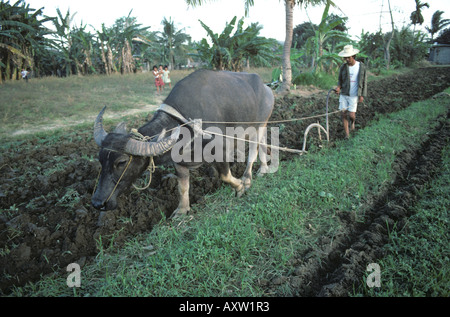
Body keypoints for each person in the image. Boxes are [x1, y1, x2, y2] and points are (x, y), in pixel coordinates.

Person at [335, 45, 367, 139]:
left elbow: (364, 81)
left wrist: (362, 95)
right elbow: (340, 80)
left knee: (351, 114)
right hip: (344, 93)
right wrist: (338, 88)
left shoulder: (361, 66)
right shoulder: (343, 67)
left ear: (353, 56)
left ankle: (352, 122)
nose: (347, 59)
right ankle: (347, 134)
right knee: (343, 113)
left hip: (354, 94)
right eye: (345, 58)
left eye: (348, 57)